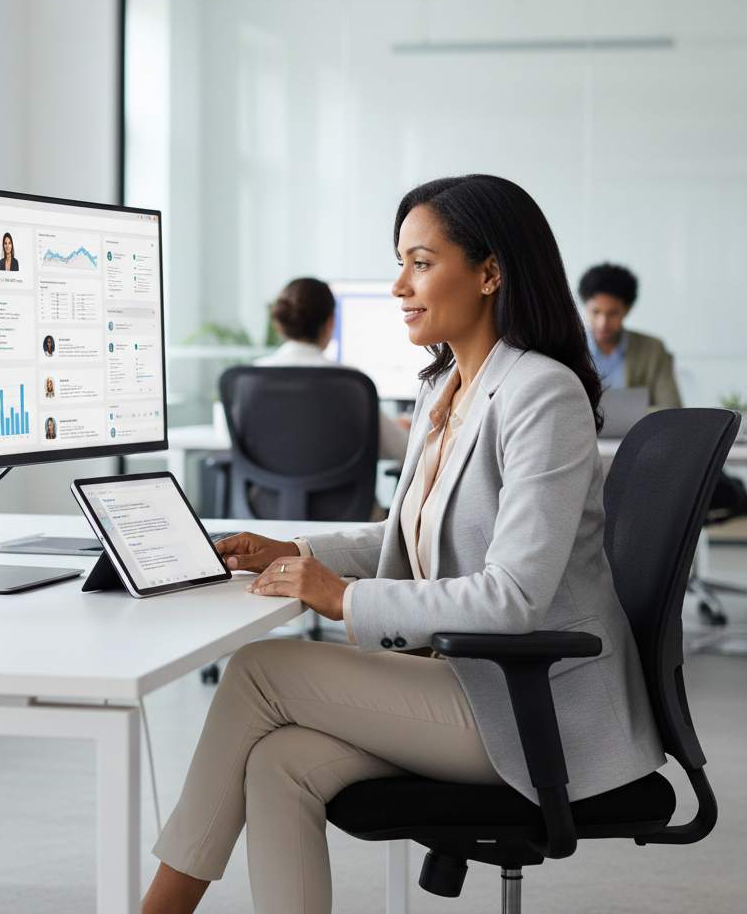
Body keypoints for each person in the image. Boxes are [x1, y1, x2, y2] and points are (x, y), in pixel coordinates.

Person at [142, 175, 664, 914]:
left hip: (530, 707)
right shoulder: (444, 387)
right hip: (462, 682)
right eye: (400, 262)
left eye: (421, 262)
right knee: (279, 762)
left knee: (258, 673)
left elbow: (514, 598)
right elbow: (405, 533)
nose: (398, 286)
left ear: (490, 273)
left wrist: (341, 597)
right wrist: (288, 546)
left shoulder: (541, 394)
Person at [255, 278, 411, 462]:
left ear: (280, 324)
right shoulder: (350, 383)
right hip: (342, 492)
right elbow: (403, 450)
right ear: (330, 323)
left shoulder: (250, 379)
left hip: (268, 492)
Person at [578, 263, 681, 409]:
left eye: (612, 313)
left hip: (638, 431)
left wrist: (630, 419)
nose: (603, 324)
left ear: (627, 309)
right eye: (595, 312)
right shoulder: (571, 349)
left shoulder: (652, 349)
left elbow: (672, 406)